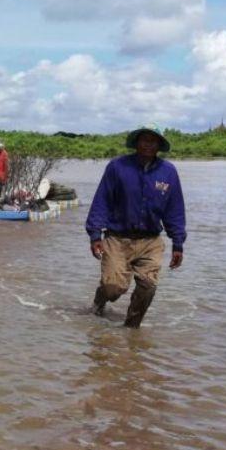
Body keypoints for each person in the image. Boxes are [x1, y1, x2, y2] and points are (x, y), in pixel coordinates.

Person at [85, 124, 186, 328]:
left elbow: (174, 209)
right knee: (114, 288)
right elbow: (102, 200)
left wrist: (178, 243)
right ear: (136, 142)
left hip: (150, 241)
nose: (148, 144)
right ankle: (100, 300)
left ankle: (131, 330)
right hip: (117, 237)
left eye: (153, 140)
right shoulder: (117, 167)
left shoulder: (168, 172)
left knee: (148, 287)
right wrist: (95, 234)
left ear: (159, 145)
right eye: (144, 139)